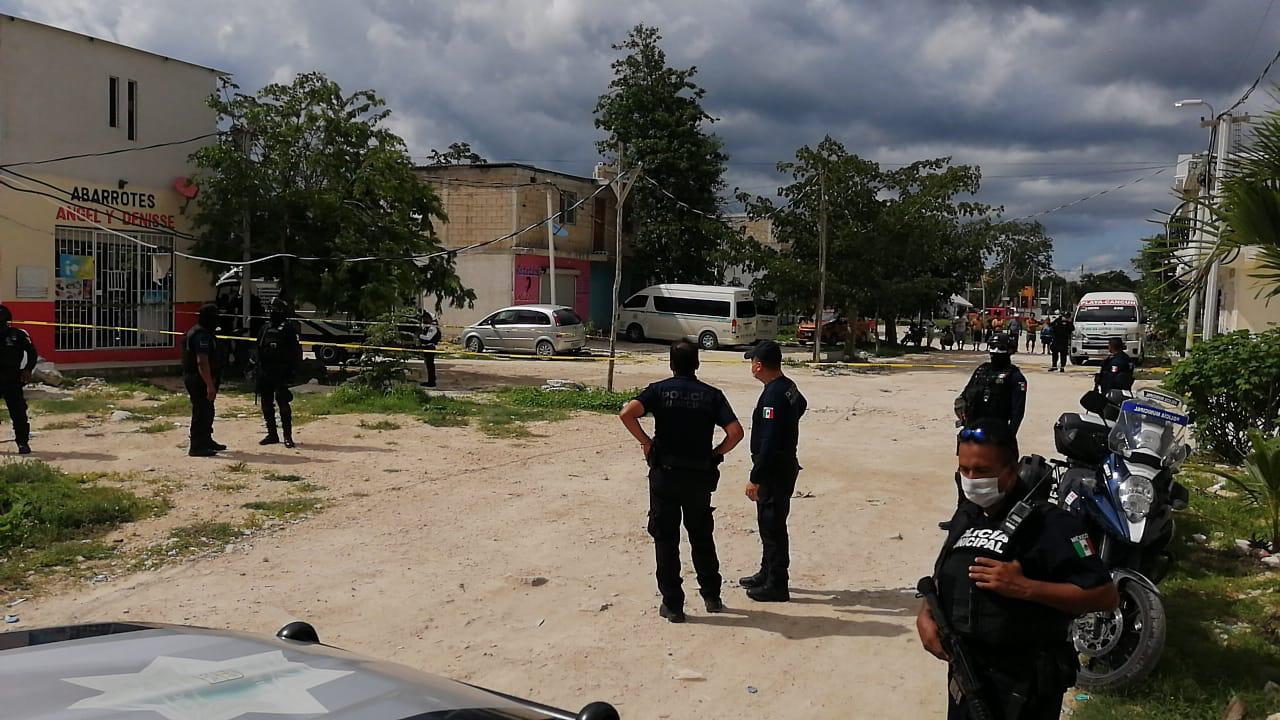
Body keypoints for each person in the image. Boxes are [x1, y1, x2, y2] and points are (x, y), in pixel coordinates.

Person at [917, 418, 1119, 719]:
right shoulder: (968, 515)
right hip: (967, 676)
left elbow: (1105, 596)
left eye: (982, 471)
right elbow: (945, 572)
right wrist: (926, 614)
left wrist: (1026, 588)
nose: (971, 479)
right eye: (964, 469)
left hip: (1024, 688)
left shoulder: (1053, 525)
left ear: (1011, 470)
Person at [619, 341, 745, 623]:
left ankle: (673, 605)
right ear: (697, 364)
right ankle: (712, 596)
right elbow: (736, 432)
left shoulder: (659, 390)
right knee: (701, 536)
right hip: (699, 477)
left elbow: (627, 413)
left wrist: (646, 442)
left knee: (666, 539)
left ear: (671, 364)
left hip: (665, 475)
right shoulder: (712, 395)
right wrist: (716, 453)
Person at [740, 340, 808, 602]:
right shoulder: (786, 385)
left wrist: (755, 477)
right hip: (783, 464)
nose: (751, 366)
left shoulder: (772, 395)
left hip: (774, 469)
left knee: (773, 526)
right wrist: (786, 426)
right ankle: (766, 571)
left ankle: (777, 583)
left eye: (752, 362)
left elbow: (768, 442)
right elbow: (801, 404)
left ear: (759, 365)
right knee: (768, 523)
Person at [955, 333, 1027, 436]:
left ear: (1010, 350)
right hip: (973, 426)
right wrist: (962, 409)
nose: (995, 351)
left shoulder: (1015, 376)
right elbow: (966, 394)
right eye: (992, 347)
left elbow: (1018, 411)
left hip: (997, 430)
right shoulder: (981, 370)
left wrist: (1010, 435)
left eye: (1001, 347)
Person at [255, 301, 301, 448]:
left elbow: (295, 352)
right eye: (271, 309)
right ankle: (272, 434)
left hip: (281, 372)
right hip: (265, 372)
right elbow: (258, 349)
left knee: (283, 403)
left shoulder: (288, 329)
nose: (272, 312)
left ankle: (287, 436)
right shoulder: (265, 328)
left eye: (275, 309)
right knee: (266, 404)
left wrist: (292, 372)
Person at [184, 304, 224, 457]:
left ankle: (206, 440)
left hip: (202, 378)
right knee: (201, 411)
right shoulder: (201, 335)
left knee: (208, 410)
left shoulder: (202, 332)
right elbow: (202, 362)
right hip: (199, 379)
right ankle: (196, 446)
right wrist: (209, 385)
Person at [0, 305, 38, 454]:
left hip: (12, 378)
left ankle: (22, 443)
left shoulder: (17, 335)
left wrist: (28, 369)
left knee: (18, 413)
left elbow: (32, 353)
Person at [418, 310, 442, 388]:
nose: (424, 320)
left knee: (430, 365)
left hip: (430, 347)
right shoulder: (428, 327)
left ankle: (431, 382)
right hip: (427, 347)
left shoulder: (432, 328)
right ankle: (431, 380)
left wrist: (419, 336)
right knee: (428, 365)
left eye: (425, 318)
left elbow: (428, 338)